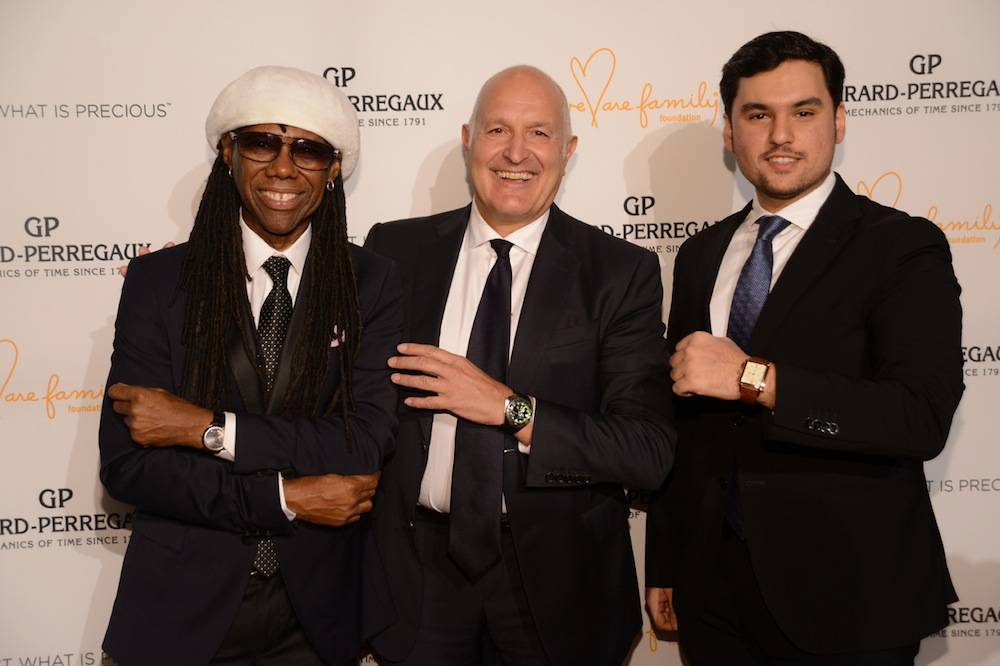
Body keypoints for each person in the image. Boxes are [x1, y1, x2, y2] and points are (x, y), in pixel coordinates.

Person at [644, 31, 963, 665]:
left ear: (839, 121)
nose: (781, 135)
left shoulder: (901, 246)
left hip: (849, 590)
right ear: (730, 131)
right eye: (758, 115)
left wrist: (753, 378)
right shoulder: (702, 253)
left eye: (804, 112)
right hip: (713, 591)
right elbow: (684, 423)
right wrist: (666, 560)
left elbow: (918, 417)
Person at [362, 65, 675, 665]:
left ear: (568, 149)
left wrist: (510, 409)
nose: (515, 152)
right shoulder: (394, 251)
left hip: (560, 587)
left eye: (539, 133)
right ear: (468, 139)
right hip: (417, 578)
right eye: (497, 129)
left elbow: (646, 450)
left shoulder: (619, 272)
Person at [99, 66, 403, 665]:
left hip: (318, 617)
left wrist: (207, 429)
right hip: (180, 610)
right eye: (263, 143)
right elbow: (130, 466)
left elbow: (363, 442)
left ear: (333, 168)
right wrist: (284, 497)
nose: (283, 168)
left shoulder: (370, 282)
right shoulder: (160, 282)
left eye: (308, 150)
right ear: (228, 152)